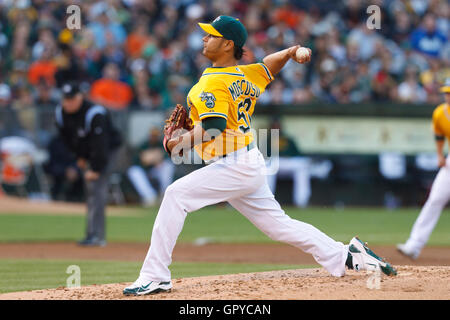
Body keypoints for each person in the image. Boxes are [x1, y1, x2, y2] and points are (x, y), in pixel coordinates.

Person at [123, 16, 397, 296]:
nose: (204, 38)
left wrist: (178, 143)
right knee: (279, 226)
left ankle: (155, 276)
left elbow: (214, 127)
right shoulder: (244, 74)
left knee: (175, 195)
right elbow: (269, 65)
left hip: (233, 164)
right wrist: (290, 52)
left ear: (228, 44)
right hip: (245, 161)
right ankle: (346, 256)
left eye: (211, 35)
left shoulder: (215, 82)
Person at [55, 82, 122, 246]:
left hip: (108, 150)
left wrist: (96, 169)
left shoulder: (94, 113)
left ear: (80, 97)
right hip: (88, 151)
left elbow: (101, 145)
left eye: (72, 99)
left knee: (97, 189)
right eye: (66, 99)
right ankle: (91, 233)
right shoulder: (61, 113)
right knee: (90, 190)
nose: (68, 102)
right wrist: (80, 157)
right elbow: (68, 140)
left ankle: (98, 237)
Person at [397, 78, 450, 259]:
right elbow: (439, 135)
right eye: (446, 93)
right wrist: (440, 155)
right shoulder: (440, 113)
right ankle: (414, 245)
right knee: (434, 199)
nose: (448, 96)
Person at [127, 127, 175, 206]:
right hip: (145, 171)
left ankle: (165, 194)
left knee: (168, 166)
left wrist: (156, 160)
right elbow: (137, 161)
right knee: (133, 171)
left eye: (155, 136)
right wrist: (148, 160)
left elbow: (167, 157)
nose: (154, 137)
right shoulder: (144, 145)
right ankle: (150, 197)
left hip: (156, 171)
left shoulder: (162, 144)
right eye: (152, 135)